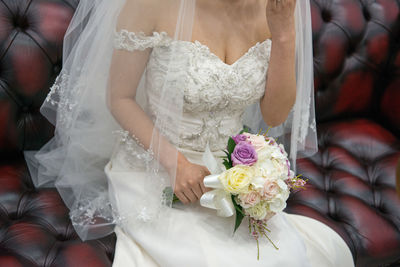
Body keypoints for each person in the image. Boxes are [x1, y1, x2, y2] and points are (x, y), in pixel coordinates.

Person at [26, 0, 354, 266]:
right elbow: (119, 98)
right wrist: (176, 163)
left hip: (230, 167)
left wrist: (284, 35)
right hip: (155, 160)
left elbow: (275, 114)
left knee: (287, 258)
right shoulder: (152, 4)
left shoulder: (277, 9)